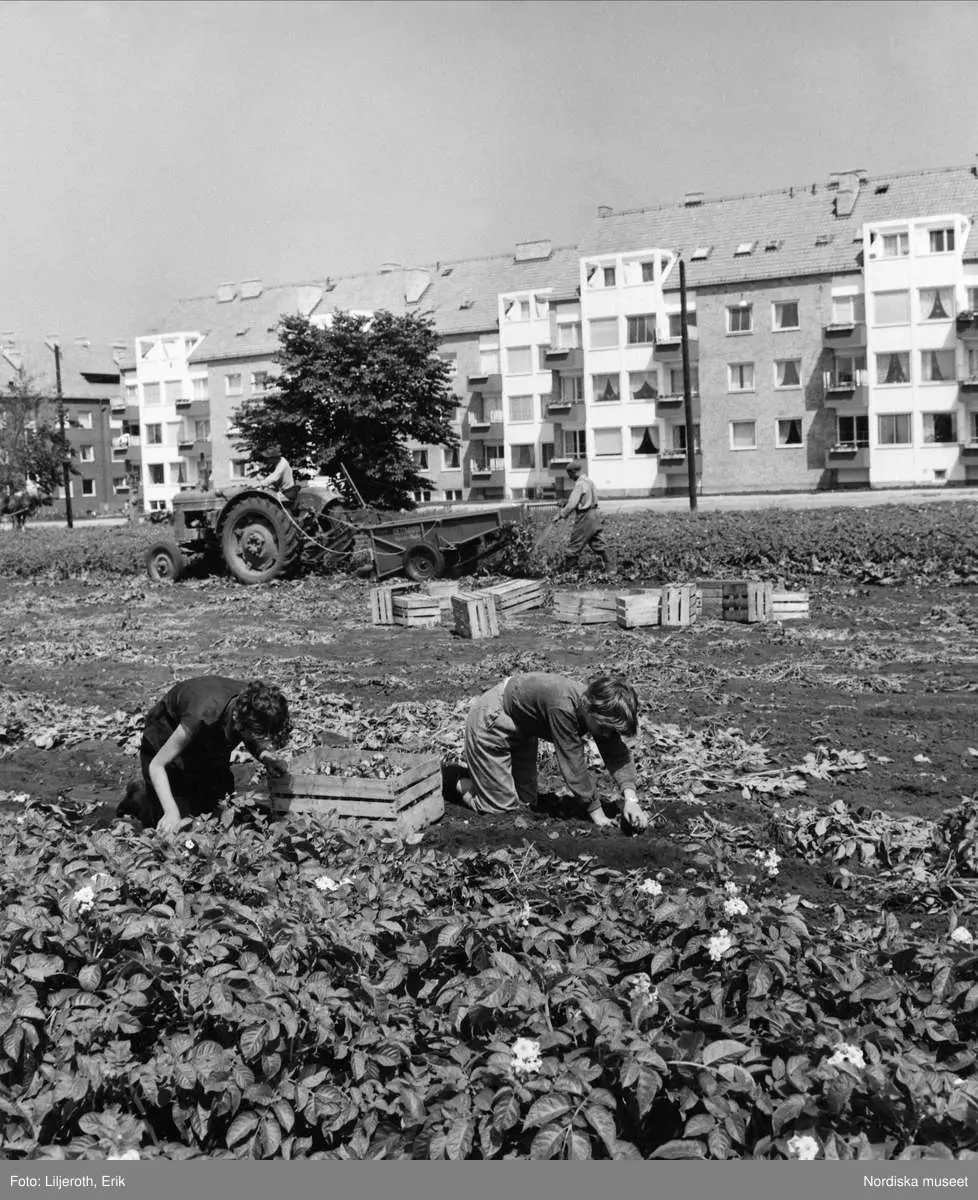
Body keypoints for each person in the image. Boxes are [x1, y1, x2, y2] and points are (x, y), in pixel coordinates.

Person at [453, 672, 649, 831]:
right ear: (589, 708)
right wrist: (598, 814)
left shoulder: (597, 707)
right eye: (604, 728)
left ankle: (486, 782)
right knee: (502, 811)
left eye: (612, 731)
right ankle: (458, 782)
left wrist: (631, 800)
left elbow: (616, 753)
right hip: (493, 719)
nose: (607, 735)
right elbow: (573, 765)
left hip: (524, 726)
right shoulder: (564, 708)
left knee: (526, 804)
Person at [117, 677, 291, 834]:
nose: (258, 739)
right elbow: (157, 765)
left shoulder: (254, 704)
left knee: (218, 808)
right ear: (238, 719)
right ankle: (139, 797)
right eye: (257, 734)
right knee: (177, 825)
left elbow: (251, 733)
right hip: (167, 735)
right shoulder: (202, 714)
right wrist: (170, 812)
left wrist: (265, 757)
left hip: (208, 737)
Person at [551, 460, 609, 571]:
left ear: (573, 472)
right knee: (598, 543)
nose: (569, 477)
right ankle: (611, 568)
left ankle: (571, 572)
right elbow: (585, 499)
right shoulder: (589, 481)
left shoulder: (579, 484)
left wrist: (560, 514)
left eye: (569, 474)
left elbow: (572, 504)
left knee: (574, 544)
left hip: (585, 517)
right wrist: (565, 502)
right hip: (594, 515)